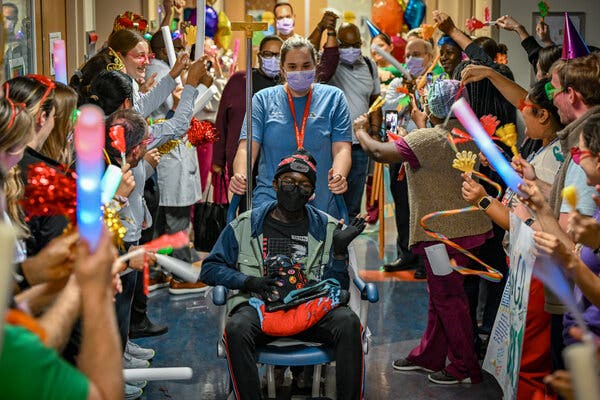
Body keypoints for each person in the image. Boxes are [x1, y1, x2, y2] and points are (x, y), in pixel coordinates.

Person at [355, 79, 491, 384]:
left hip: (441, 237)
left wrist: (361, 130)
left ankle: (464, 368)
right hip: (470, 230)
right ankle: (429, 355)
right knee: (442, 295)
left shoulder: (428, 138)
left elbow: (378, 152)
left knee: (448, 299)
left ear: (433, 106)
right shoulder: (468, 131)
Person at [200, 150, 365, 399]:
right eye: (288, 182)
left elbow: (337, 288)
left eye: (304, 185)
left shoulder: (329, 228)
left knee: (348, 322)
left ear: (311, 195)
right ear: (275, 184)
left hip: (311, 309)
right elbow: (210, 268)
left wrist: (340, 254)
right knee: (236, 328)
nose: (294, 189)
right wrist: (249, 281)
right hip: (261, 308)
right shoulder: (245, 225)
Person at [230, 36, 351, 218]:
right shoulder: (263, 100)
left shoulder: (334, 98)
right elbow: (246, 149)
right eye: (292, 67)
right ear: (282, 69)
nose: (299, 71)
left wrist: (339, 176)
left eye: (306, 65)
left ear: (316, 65)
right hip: (271, 201)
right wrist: (240, 176)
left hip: (320, 201)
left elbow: (342, 148)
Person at [328, 22, 381, 219]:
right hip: (334, 144)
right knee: (332, 197)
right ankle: (331, 244)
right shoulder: (331, 66)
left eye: (355, 45)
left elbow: (376, 101)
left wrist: (375, 134)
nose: (351, 50)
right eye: (345, 45)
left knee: (353, 202)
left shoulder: (369, 64)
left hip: (360, 145)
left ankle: (347, 244)